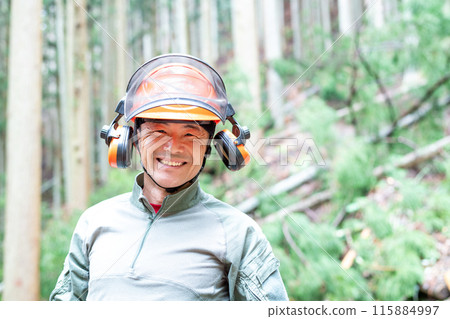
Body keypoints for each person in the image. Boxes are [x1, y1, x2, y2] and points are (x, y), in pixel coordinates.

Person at [50, 54, 288, 301]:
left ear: (213, 146)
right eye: (159, 131)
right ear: (131, 139)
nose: (173, 147)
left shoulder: (238, 233)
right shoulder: (93, 223)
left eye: (190, 134)